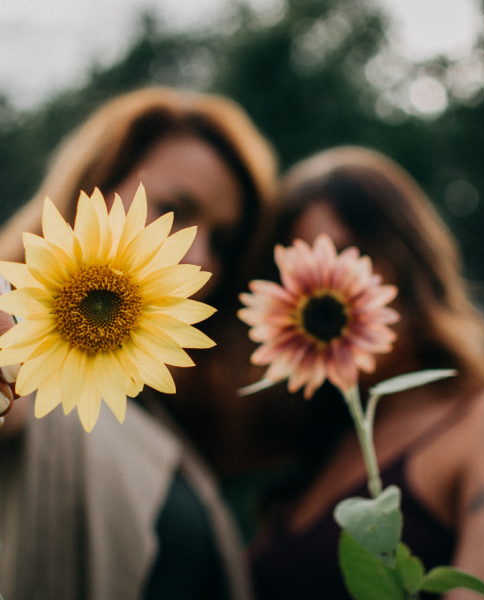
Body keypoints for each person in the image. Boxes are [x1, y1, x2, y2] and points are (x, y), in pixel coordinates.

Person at [249, 146, 484, 600]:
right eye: (293, 274)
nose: (322, 287)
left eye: (347, 256)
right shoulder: (317, 456)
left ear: (409, 259)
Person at [0, 87, 277, 600]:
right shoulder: (20, 339)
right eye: (173, 208)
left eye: (222, 240)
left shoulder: (154, 405)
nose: (198, 255)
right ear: (93, 189)